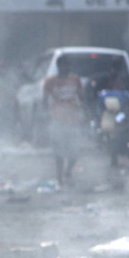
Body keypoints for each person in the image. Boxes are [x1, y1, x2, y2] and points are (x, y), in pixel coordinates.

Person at [42, 56, 84, 187]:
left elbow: (81, 97)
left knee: (74, 153)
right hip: (57, 120)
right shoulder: (50, 81)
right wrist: (47, 114)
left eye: (68, 65)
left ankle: (68, 171)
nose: (66, 68)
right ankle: (59, 179)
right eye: (64, 65)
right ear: (59, 66)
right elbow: (44, 100)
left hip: (73, 120)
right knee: (59, 153)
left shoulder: (75, 79)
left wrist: (84, 111)